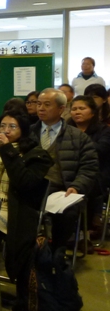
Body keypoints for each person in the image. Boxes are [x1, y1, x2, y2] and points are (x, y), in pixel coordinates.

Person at [0, 110, 53, 283]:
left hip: (18, 208)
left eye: (12, 126)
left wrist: (7, 149)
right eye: (2, 126)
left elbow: (24, 182)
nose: (6, 130)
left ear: (23, 129)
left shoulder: (36, 155)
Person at [30, 88, 99, 250]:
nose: (41, 108)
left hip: (62, 190)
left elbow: (89, 167)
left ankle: (57, 251)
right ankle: (30, 252)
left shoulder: (78, 137)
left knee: (67, 214)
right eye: (39, 104)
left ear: (61, 109)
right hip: (31, 188)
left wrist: (77, 186)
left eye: (47, 105)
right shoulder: (28, 133)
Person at [67, 96, 110, 236]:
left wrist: (76, 147)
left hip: (97, 173)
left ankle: (87, 227)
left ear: (92, 112)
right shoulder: (65, 129)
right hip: (69, 171)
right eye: (74, 109)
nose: (77, 112)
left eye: (82, 108)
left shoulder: (104, 130)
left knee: (87, 183)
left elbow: (100, 150)